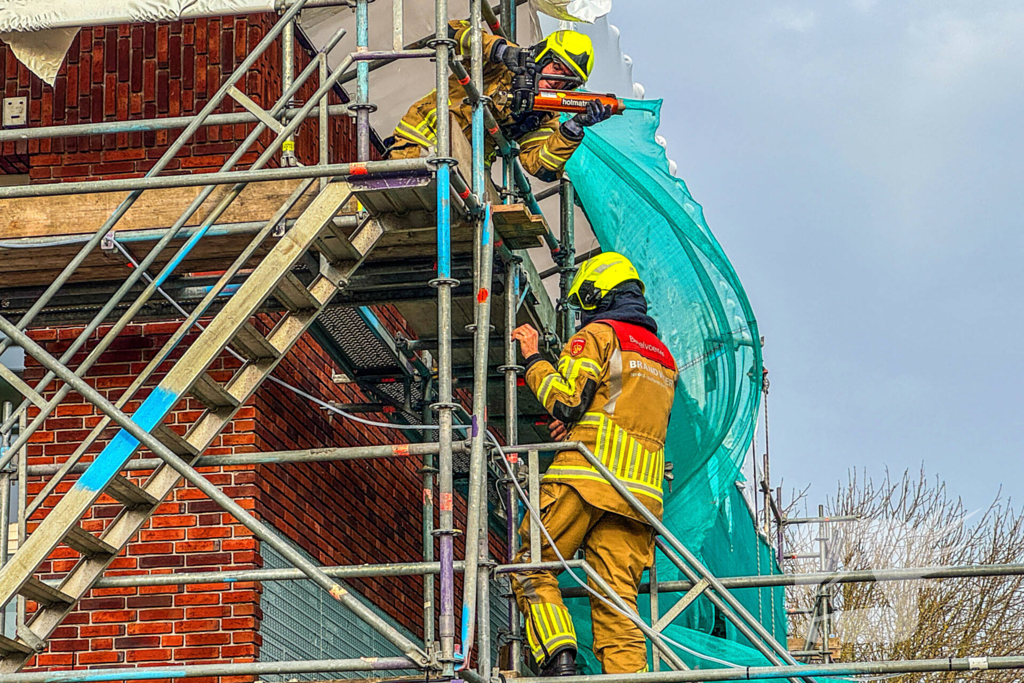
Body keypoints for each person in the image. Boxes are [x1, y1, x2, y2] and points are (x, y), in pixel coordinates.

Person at [509, 252, 677, 676]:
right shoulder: (663, 357)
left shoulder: (599, 335)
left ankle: (559, 657)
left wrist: (533, 358)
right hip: (638, 498)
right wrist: (577, 424)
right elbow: (624, 414)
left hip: (586, 478)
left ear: (597, 295)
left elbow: (566, 400)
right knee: (617, 603)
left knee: (531, 563)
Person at [386, 23, 612, 182]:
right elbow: (450, 34)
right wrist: (500, 51)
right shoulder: (503, 63)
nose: (555, 81)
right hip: (419, 148)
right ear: (542, 56)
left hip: (462, 175)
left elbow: (542, 167)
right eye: (557, 67)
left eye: (566, 79)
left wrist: (573, 128)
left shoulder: (543, 115)